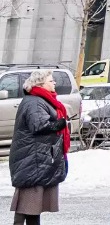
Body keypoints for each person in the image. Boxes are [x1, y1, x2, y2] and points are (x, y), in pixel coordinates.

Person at [8, 69, 69, 225]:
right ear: (40, 84)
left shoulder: (39, 99)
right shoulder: (34, 101)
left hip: (36, 156)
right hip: (32, 158)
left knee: (31, 206)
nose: (54, 83)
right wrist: (61, 123)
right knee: (28, 204)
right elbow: (39, 125)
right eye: (51, 80)